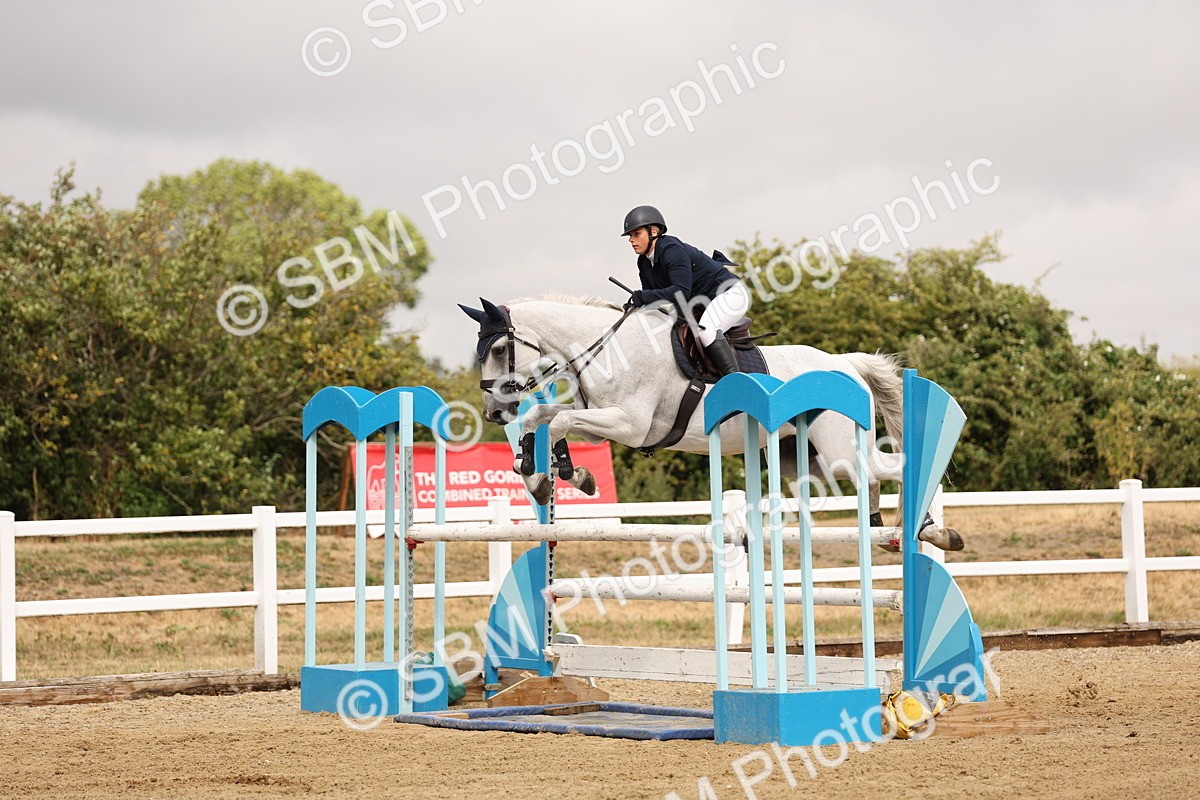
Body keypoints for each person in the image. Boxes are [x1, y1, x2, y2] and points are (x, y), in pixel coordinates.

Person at [621, 205, 751, 376]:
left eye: (636, 234)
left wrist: (644, 296)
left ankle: (736, 382)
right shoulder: (643, 262)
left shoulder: (672, 250)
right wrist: (636, 307)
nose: (631, 240)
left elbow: (680, 292)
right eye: (630, 236)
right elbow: (653, 300)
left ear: (653, 231)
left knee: (707, 332)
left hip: (729, 294)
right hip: (701, 305)